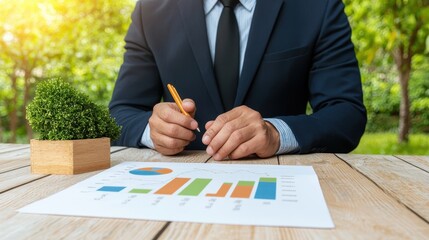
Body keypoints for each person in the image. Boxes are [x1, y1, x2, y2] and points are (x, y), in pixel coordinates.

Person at [109, 0, 367, 160]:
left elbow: (346, 113)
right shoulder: (151, 9)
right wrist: (152, 130)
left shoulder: (317, 6)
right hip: (183, 186)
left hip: (276, 179)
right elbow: (121, 112)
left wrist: (276, 134)